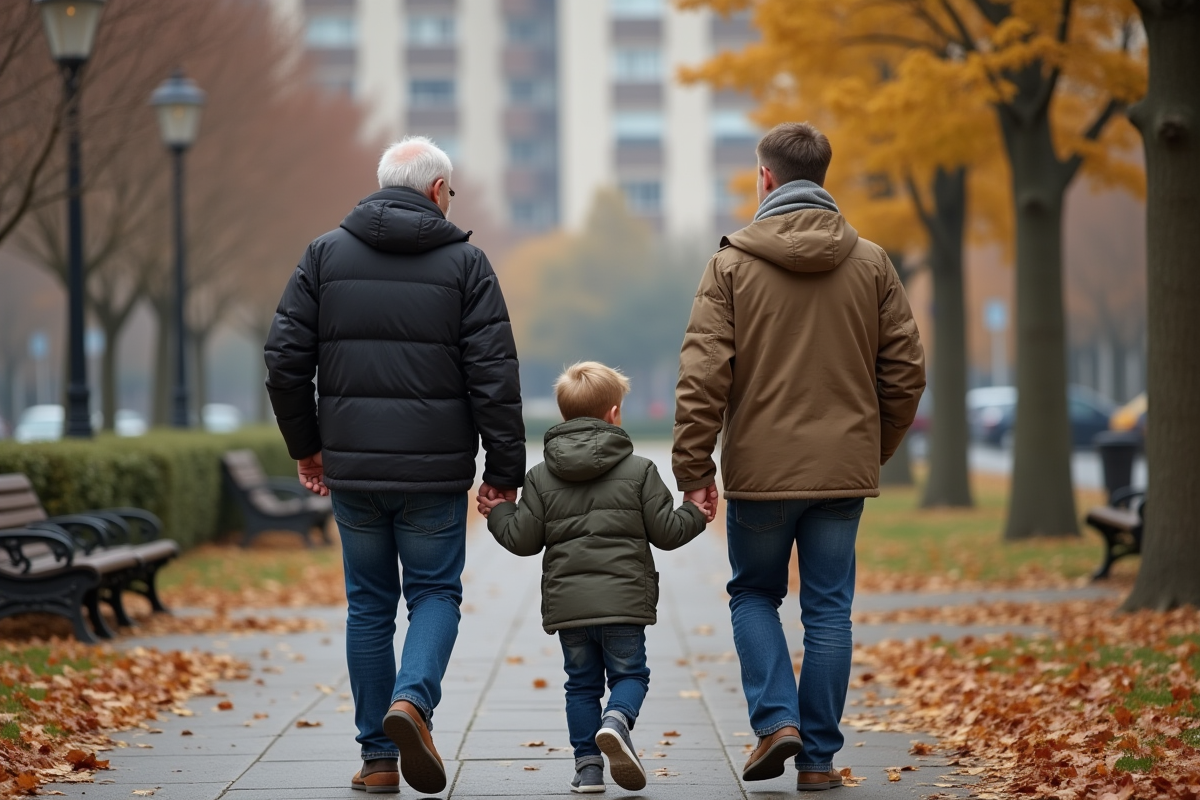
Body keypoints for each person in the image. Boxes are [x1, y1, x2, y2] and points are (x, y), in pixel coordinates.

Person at [264, 136, 524, 795]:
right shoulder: (466, 264)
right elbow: (495, 377)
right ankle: (412, 700)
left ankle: (378, 760)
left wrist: (307, 444)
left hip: (353, 469)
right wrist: (504, 470)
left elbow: (284, 360)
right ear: (438, 191)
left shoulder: (324, 255)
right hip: (434, 473)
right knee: (435, 593)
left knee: (369, 606)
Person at [672, 122, 926, 791]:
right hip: (841, 470)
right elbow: (905, 372)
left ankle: (775, 722)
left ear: (765, 179)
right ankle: (816, 759)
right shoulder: (871, 262)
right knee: (829, 608)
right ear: (823, 177)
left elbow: (703, 376)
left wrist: (693, 469)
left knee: (754, 593)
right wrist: (870, 450)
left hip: (761, 472)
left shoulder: (730, 264)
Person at [478, 362, 711, 794]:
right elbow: (667, 532)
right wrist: (696, 513)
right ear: (615, 413)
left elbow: (523, 539)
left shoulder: (540, 476)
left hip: (571, 608)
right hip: (624, 603)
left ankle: (588, 770)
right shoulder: (640, 471)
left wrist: (499, 513)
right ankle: (617, 721)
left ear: (564, 416)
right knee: (630, 677)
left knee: (581, 685)